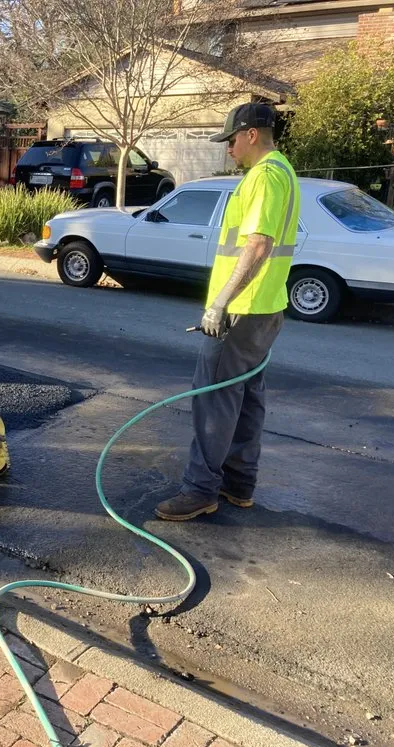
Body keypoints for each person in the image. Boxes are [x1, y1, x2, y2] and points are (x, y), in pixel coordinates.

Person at [155, 103, 300, 522]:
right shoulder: (283, 170)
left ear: (251, 134)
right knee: (247, 397)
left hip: (241, 311)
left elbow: (258, 244)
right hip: (266, 307)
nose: (228, 149)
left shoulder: (266, 176)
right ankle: (239, 484)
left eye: (231, 140)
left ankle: (200, 490)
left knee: (214, 398)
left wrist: (219, 304)